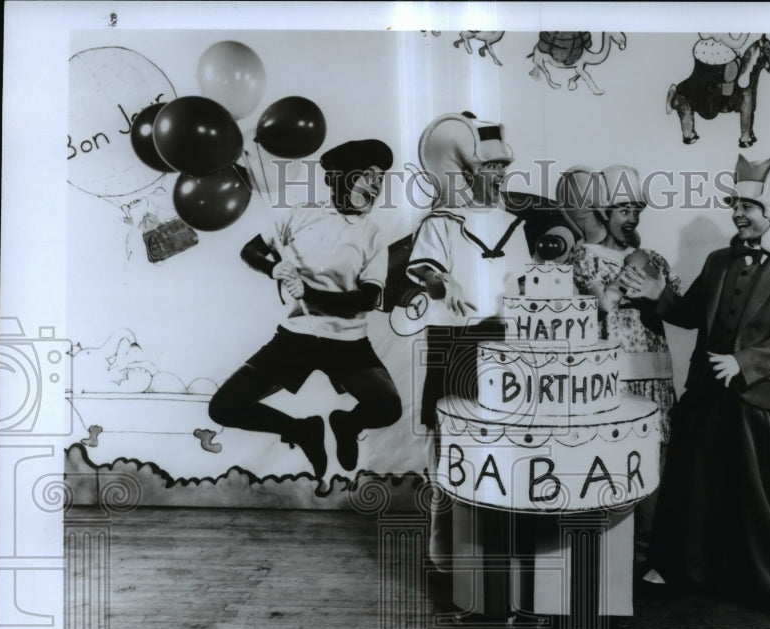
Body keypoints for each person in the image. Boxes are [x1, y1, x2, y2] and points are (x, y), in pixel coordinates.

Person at [622, 155, 770, 614]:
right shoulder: (717, 261)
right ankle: (679, 568)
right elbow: (690, 313)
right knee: (690, 488)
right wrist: (659, 297)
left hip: (759, 400)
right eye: (734, 204)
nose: (737, 212)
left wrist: (743, 362)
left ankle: (765, 580)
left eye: (748, 206)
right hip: (705, 397)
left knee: (758, 496)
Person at [208, 139, 402, 480]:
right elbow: (250, 250)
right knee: (223, 407)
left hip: (348, 344)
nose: (376, 186)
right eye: (368, 176)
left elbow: (367, 299)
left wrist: (310, 293)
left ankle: (346, 423)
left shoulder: (373, 235)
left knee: (388, 408)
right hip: (295, 339)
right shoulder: (299, 213)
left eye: (380, 179)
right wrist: (273, 269)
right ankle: (301, 431)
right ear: (342, 177)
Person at [402, 111, 531, 572]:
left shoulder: (514, 225)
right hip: (452, 342)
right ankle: (443, 556)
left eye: (501, 170)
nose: (497, 179)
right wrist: (442, 282)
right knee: (447, 447)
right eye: (489, 170)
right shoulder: (441, 221)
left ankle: (492, 548)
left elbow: (524, 288)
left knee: (498, 446)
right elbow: (423, 268)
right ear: (467, 171)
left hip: (501, 346)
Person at [560, 165, 681, 564]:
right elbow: (597, 305)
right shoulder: (585, 255)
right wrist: (617, 285)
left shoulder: (655, 258)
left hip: (654, 371)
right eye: (623, 210)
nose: (631, 218)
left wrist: (653, 283)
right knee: (610, 455)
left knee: (656, 455)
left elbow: (679, 307)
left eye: (636, 210)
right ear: (605, 213)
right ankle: (606, 549)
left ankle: (647, 552)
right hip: (611, 370)